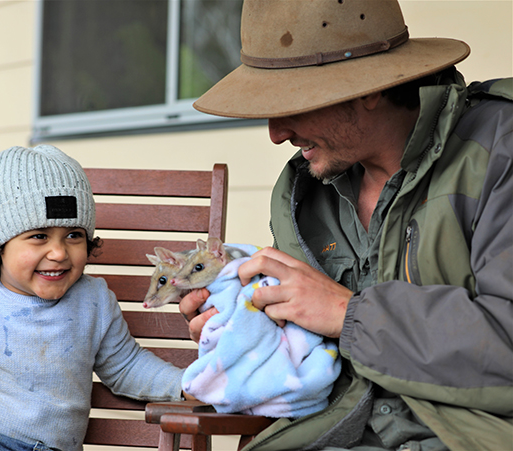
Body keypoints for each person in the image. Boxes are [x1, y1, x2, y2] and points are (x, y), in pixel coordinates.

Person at [179, 1, 512, 450]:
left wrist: (346, 313)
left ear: (368, 88)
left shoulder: (500, 153)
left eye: (288, 103)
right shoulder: (303, 192)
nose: (276, 134)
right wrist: (241, 338)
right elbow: (304, 362)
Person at [0, 145, 184, 451]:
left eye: (73, 235)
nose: (58, 253)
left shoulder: (92, 301)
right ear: (0, 246)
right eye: (39, 236)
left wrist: (190, 384)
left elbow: (127, 366)